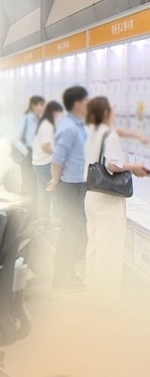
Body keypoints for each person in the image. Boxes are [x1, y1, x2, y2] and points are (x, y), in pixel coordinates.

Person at [84, 97, 148, 310]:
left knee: (95, 247)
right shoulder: (108, 134)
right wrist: (134, 167)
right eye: (112, 109)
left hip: (92, 196)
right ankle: (107, 299)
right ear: (105, 112)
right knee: (108, 251)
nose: (115, 112)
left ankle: (93, 294)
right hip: (107, 200)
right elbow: (112, 165)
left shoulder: (93, 132)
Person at [47, 86, 89, 291]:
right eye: (86, 100)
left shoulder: (79, 125)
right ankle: (61, 279)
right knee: (69, 232)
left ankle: (69, 272)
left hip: (79, 185)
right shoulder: (68, 128)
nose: (89, 104)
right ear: (77, 103)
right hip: (70, 187)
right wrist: (55, 181)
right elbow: (57, 159)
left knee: (76, 232)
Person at [32, 101, 64, 224]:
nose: (59, 116)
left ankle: (44, 219)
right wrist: (57, 155)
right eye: (58, 113)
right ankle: (58, 219)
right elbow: (45, 146)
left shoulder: (41, 124)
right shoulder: (47, 125)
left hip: (37, 163)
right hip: (45, 163)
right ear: (54, 112)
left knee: (42, 192)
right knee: (53, 190)